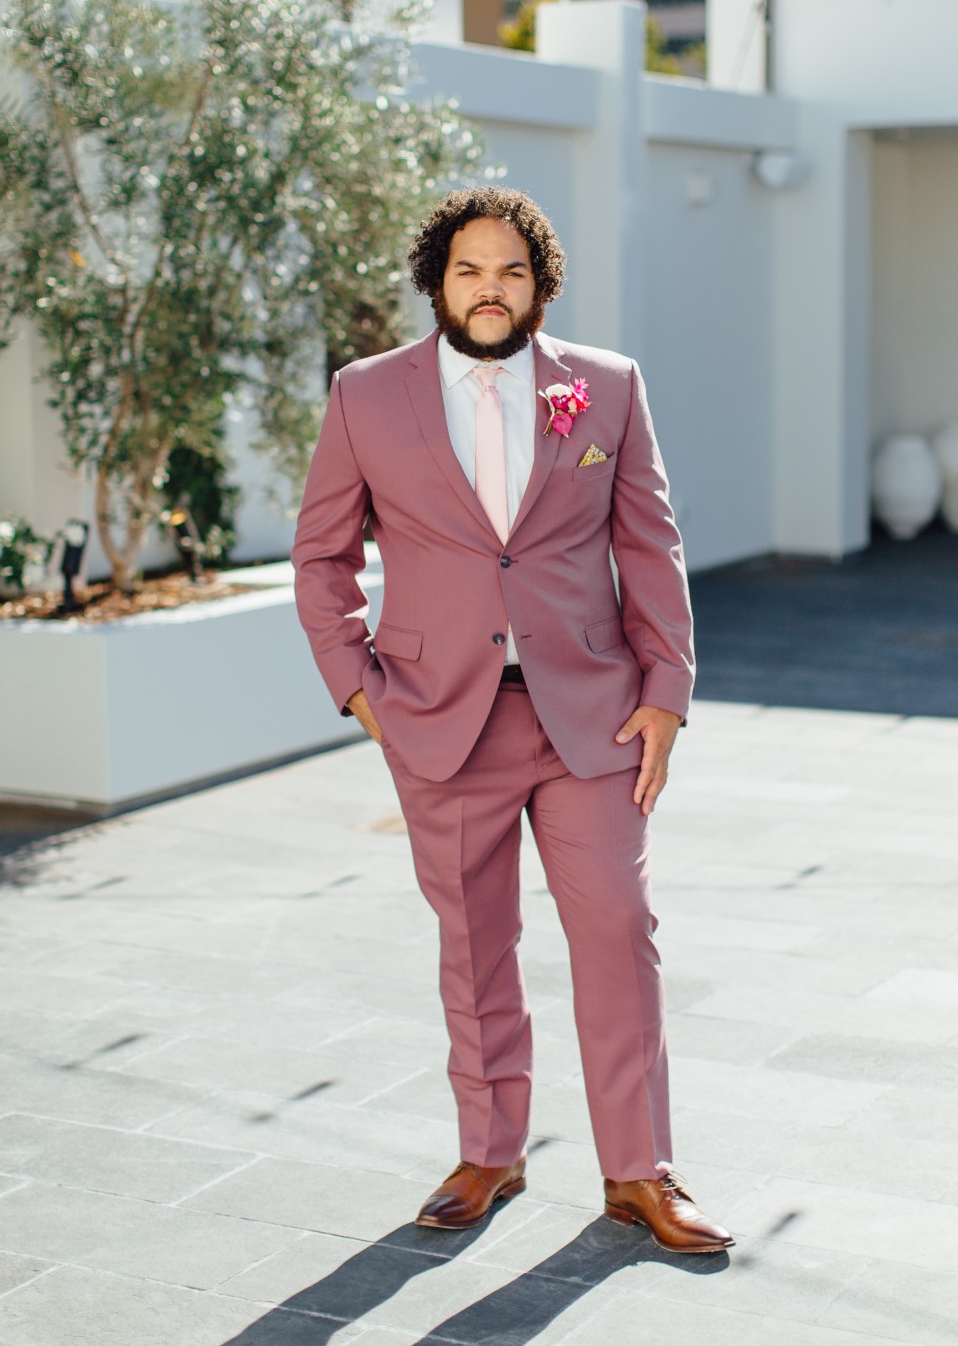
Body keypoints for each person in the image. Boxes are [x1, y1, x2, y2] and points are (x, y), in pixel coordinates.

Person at [291, 186, 732, 1253]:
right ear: (437, 283)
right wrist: (359, 690)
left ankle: (640, 1171)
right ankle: (491, 1150)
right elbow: (322, 555)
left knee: (620, 935)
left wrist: (665, 693)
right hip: (439, 722)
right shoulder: (365, 395)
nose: (490, 292)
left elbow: (649, 547)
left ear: (540, 284)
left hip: (592, 718)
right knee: (476, 943)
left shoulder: (607, 388)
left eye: (512, 273)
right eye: (469, 272)